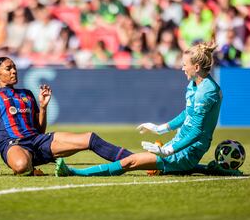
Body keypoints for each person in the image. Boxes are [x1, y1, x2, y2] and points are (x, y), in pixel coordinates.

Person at [56, 41, 224, 177]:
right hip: (180, 144)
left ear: (196, 67)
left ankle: (73, 172)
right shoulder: (194, 84)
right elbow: (187, 113)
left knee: (131, 161)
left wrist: (168, 150)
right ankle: (209, 168)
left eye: (185, 64)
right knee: (144, 161)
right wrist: (160, 129)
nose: (182, 68)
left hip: (188, 150)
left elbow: (197, 131)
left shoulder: (207, 91)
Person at [0, 57, 132, 175]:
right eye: (8, 68)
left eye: (14, 67)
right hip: (13, 144)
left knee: (90, 138)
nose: (14, 71)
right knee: (21, 167)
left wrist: (43, 107)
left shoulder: (26, 94)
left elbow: (39, 129)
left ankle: (139, 160)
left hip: (38, 140)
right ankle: (30, 167)